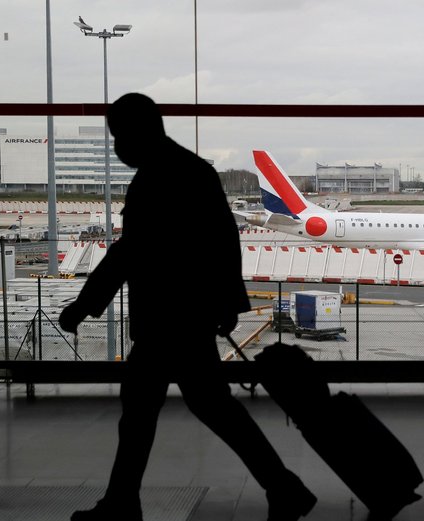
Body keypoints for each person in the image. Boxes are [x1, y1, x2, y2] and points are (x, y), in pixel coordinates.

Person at [59, 93, 317, 521]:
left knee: (147, 414)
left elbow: (130, 252)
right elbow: (224, 242)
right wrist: (229, 303)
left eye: (120, 137)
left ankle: (125, 503)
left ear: (139, 131)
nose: (118, 147)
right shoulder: (194, 170)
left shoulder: (153, 179)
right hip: (190, 316)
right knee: (206, 410)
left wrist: (84, 305)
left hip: (167, 320)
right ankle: (282, 487)